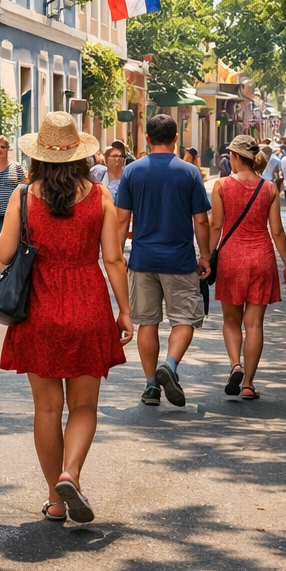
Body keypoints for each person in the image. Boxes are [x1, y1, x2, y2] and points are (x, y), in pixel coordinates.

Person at [0, 112, 132, 523]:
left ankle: (55, 495)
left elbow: (3, 253)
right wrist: (124, 311)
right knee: (84, 407)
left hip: (38, 307)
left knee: (47, 409)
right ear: (81, 155)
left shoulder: (23, 195)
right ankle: (71, 472)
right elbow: (113, 259)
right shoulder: (100, 196)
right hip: (88, 302)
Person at [114, 114, 212, 408]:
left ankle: (150, 387)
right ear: (176, 139)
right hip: (180, 260)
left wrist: (117, 256)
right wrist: (205, 255)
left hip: (142, 259)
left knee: (147, 323)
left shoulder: (132, 172)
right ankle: (169, 365)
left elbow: (121, 219)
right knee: (185, 319)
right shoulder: (190, 172)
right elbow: (201, 221)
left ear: (147, 139)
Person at [211, 136, 286, 400]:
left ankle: (235, 363)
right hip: (262, 258)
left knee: (231, 320)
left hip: (231, 259)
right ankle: (248, 383)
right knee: (254, 323)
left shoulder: (222, 185)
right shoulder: (269, 188)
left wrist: (205, 256)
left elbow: (215, 226)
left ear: (235, 157)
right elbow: (277, 230)